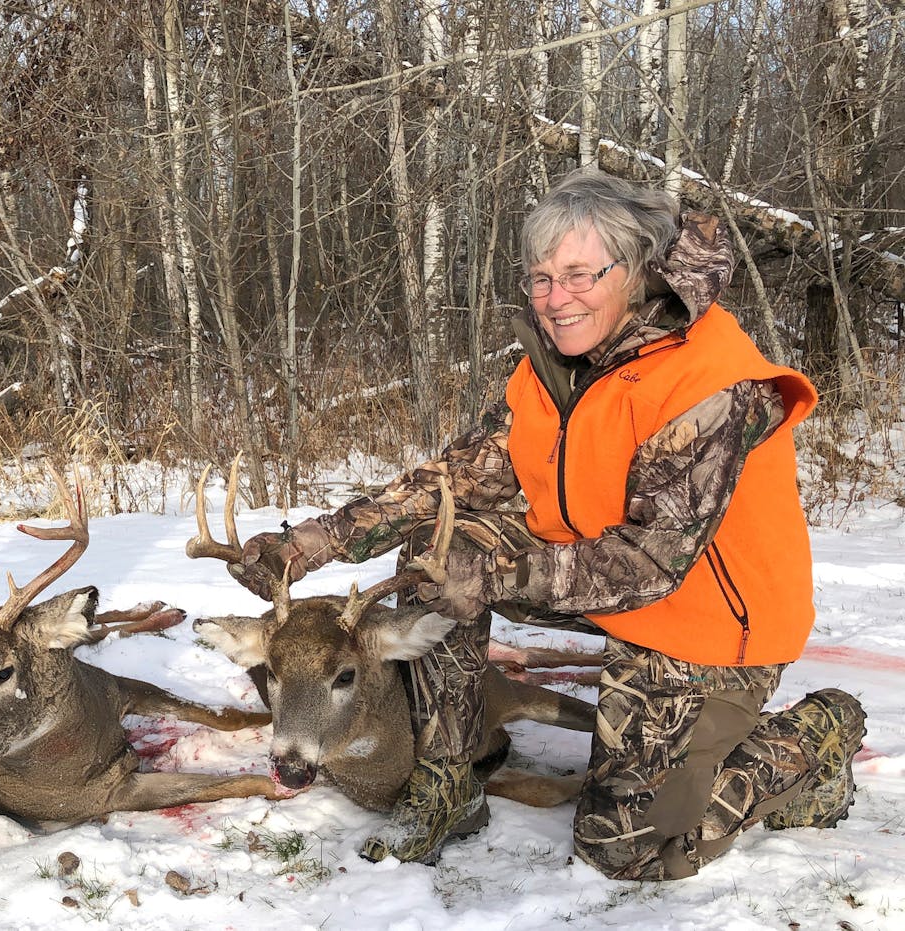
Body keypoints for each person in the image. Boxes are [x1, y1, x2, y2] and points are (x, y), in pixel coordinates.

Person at [232, 168, 866, 880]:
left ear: (635, 271)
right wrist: (309, 544)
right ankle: (448, 776)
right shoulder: (552, 366)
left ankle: (815, 736)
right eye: (540, 277)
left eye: (577, 275)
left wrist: (497, 575)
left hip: (708, 620)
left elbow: (650, 563)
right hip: (589, 575)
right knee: (441, 549)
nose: (555, 299)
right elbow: (455, 480)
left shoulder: (712, 382)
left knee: (625, 850)